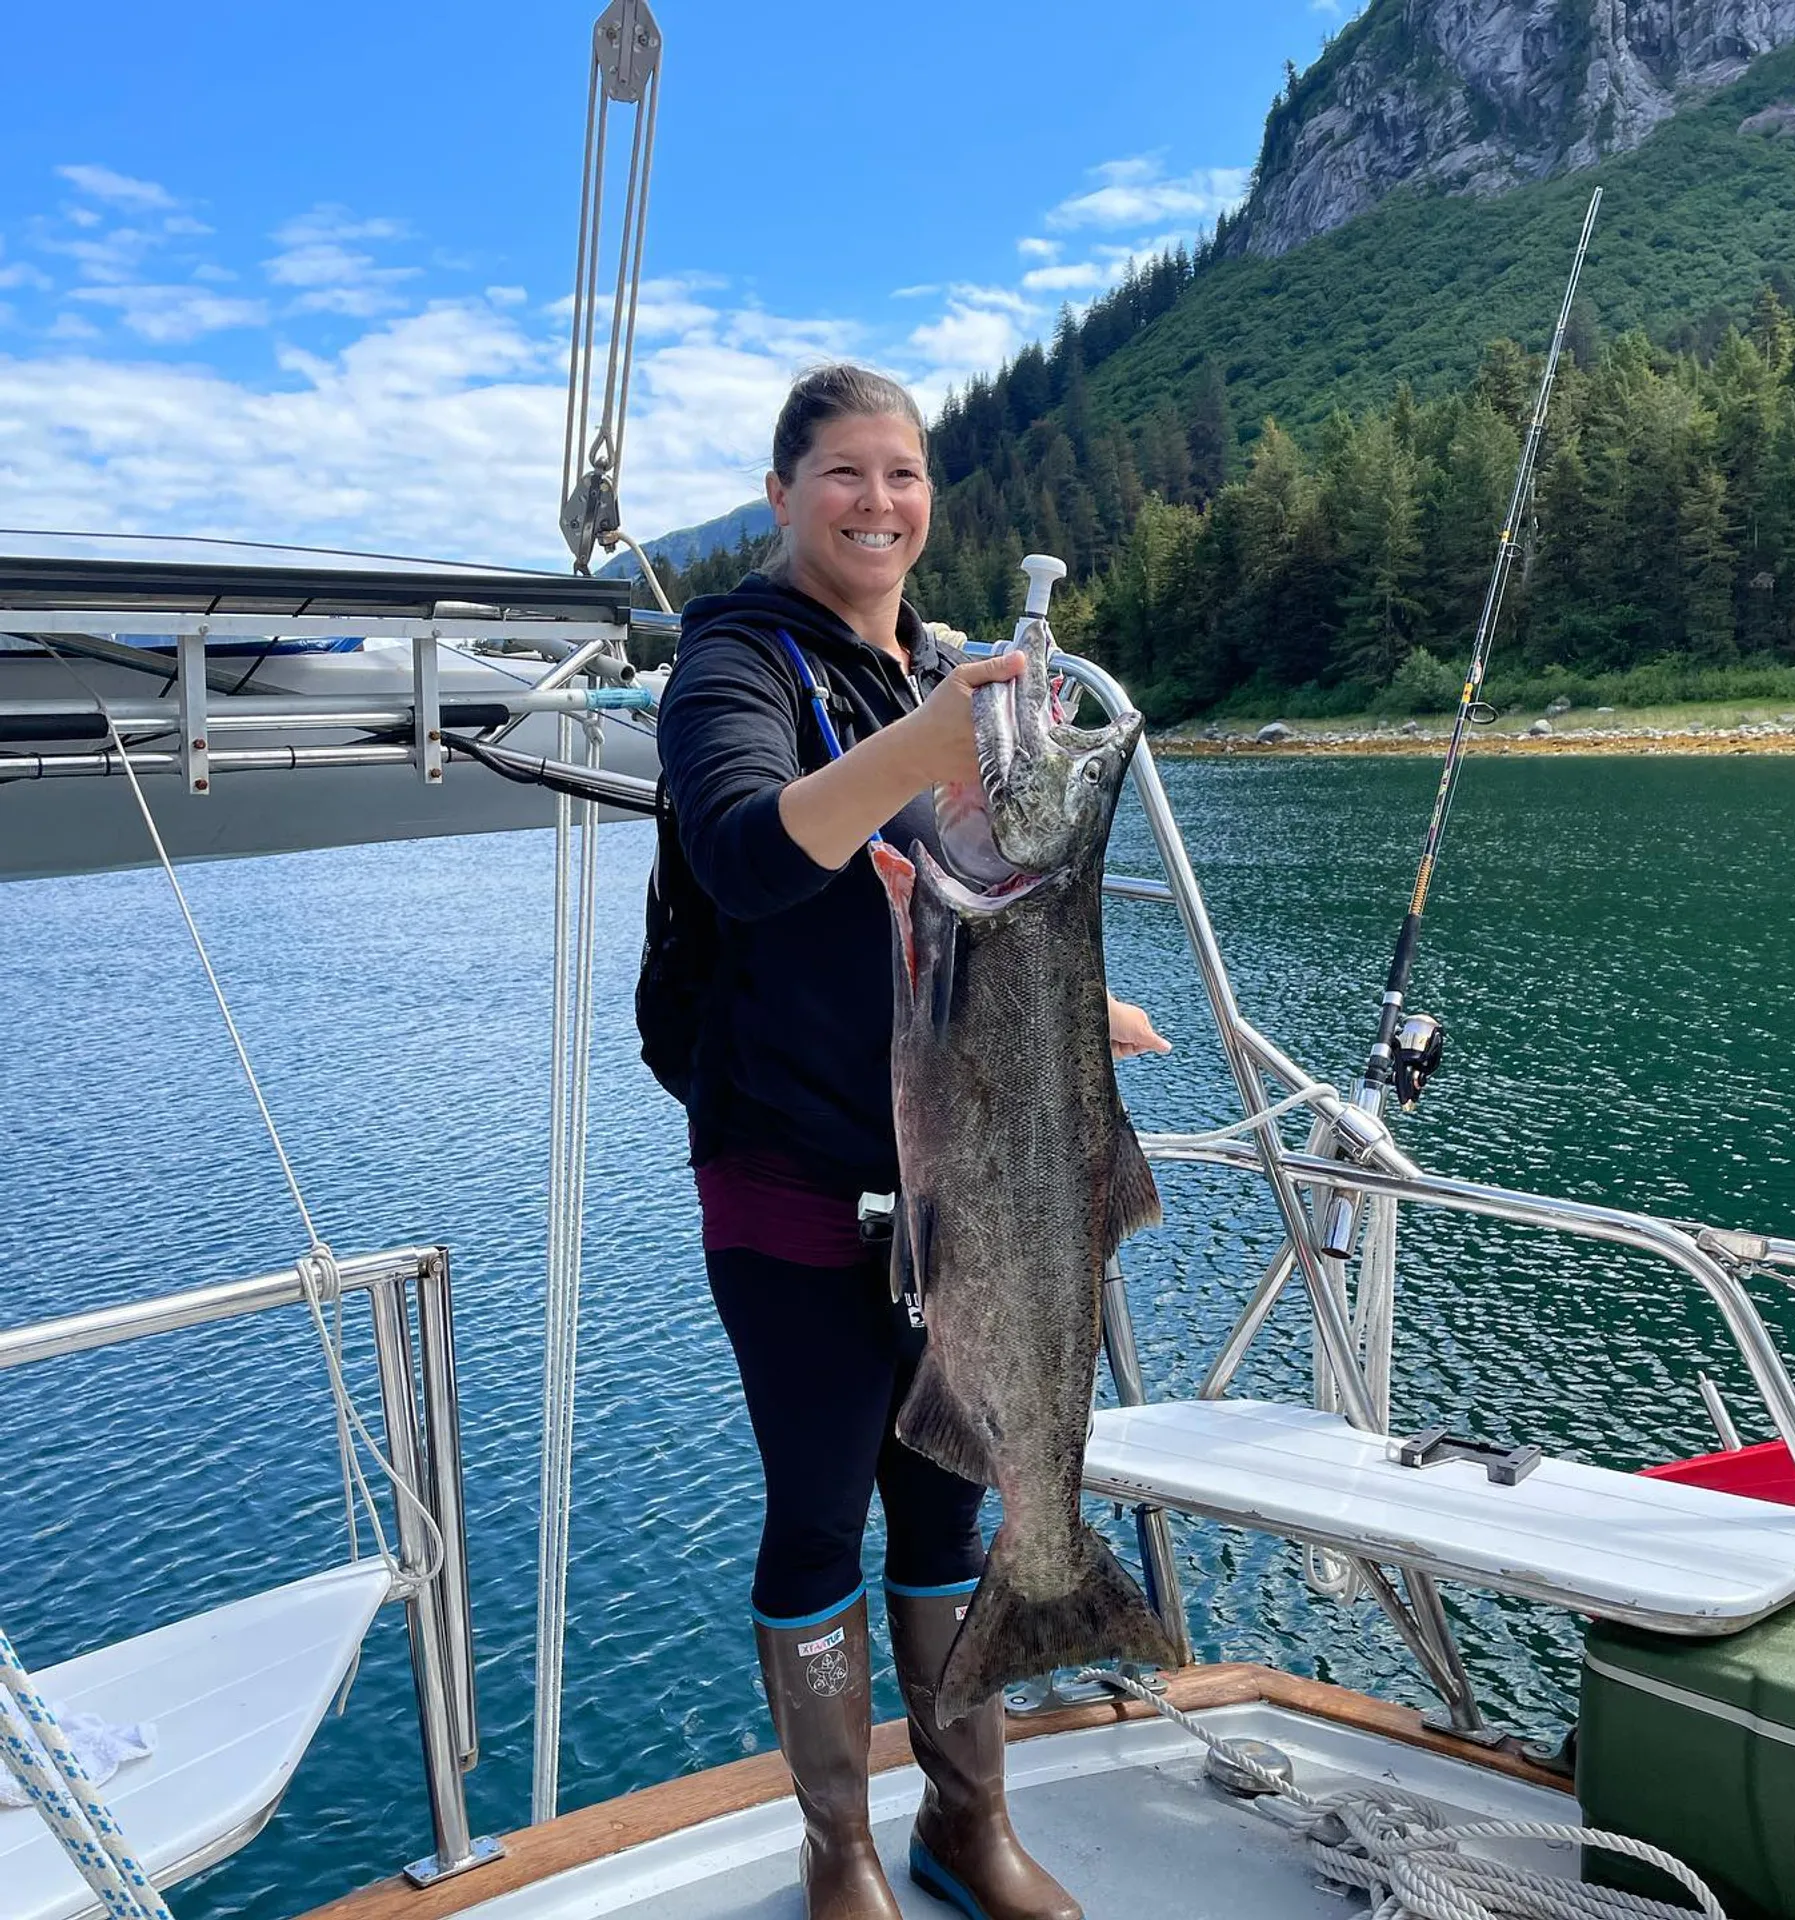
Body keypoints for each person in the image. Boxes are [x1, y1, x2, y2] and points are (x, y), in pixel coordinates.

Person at [654, 363, 1168, 1920]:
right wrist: (934, 741)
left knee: (952, 1498)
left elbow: (981, 899)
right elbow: (750, 857)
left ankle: (969, 1819)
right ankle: (840, 1851)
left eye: (905, 476)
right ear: (781, 492)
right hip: (795, 1175)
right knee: (820, 1505)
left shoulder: (942, 671)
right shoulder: (732, 664)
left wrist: (1082, 1008)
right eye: (844, 475)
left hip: (964, 1166)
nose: (879, 503)